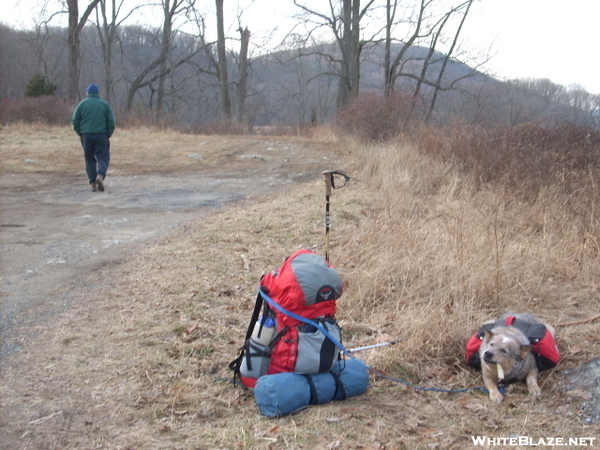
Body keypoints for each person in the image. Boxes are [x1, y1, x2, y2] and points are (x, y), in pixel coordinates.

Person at [72, 83, 116, 192]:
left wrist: (81, 133)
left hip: (86, 135)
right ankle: (100, 176)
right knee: (103, 158)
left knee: (89, 158)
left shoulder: (81, 104)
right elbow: (111, 122)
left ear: (87, 93)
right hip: (101, 135)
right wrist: (107, 134)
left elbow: (75, 121)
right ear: (98, 93)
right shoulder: (104, 105)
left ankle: (92, 183)